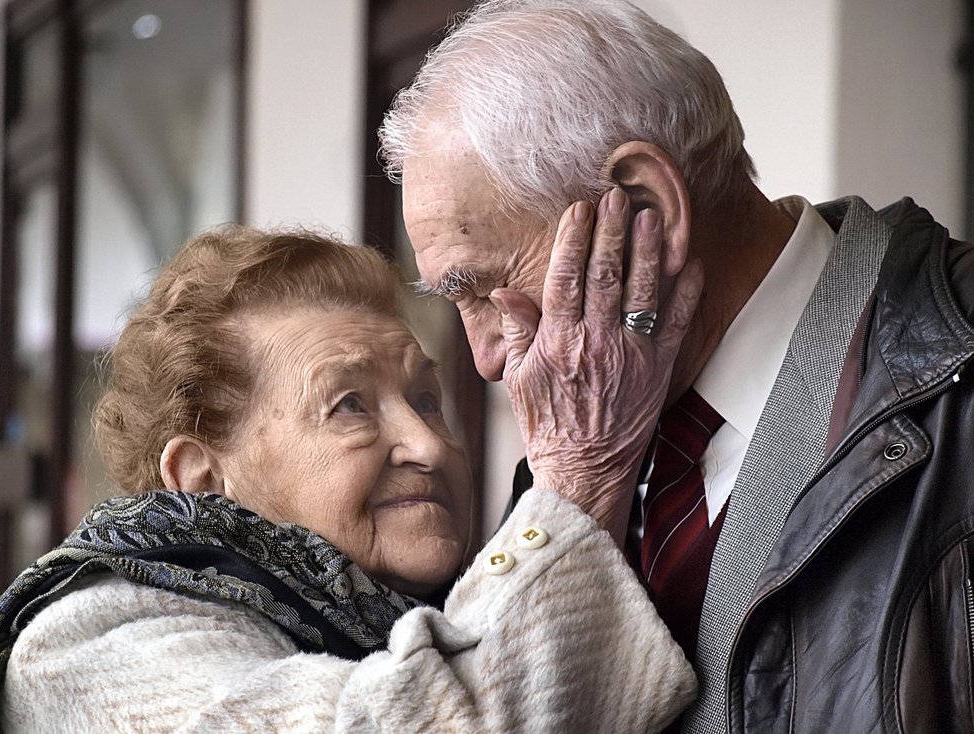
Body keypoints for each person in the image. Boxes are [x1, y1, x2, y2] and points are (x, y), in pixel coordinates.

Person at [379, 0, 974, 731]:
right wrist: (573, 489)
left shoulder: (958, 382)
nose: (488, 357)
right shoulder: (584, 432)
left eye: (482, 289)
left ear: (644, 204)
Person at [0, 225, 698, 732]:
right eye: (349, 406)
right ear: (202, 481)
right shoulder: (95, 648)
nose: (427, 443)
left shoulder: (387, 615)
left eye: (427, 399)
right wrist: (576, 475)